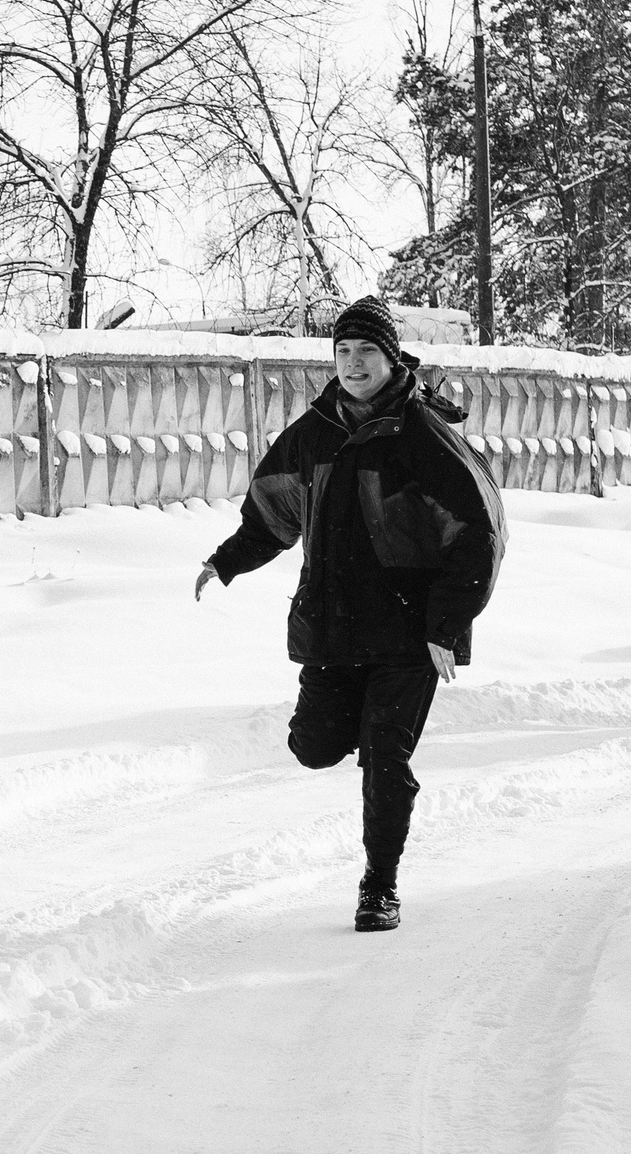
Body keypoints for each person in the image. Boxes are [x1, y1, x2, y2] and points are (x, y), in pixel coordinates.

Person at [194, 297, 504, 933]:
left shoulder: (423, 436)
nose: (354, 363)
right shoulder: (314, 432)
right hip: (332, 626)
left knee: (385, 759)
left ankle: (379, 884)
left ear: (391, 359)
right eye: (343, 351)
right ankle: (371, 733)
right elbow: (271, 514)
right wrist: (226, 561)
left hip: (409, 633)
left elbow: (480, 533)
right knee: (313, 748)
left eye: (366, 352)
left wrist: (447, 625)